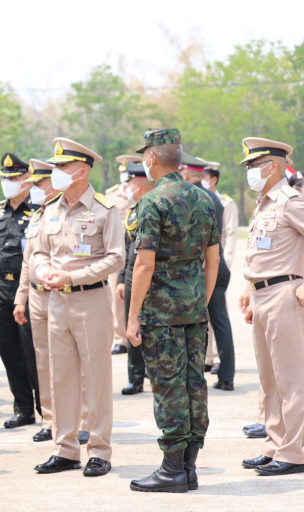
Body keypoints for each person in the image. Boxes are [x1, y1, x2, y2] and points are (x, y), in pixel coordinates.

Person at [126, 128, 220, 493]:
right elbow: (213, 260)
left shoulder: (152, 202)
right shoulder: (203, 199)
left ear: (151, 158)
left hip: (161, 315)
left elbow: (144, 265)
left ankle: (172, 470)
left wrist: (132, 316)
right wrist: (200, 301)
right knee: (194, 385)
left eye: (144, 156)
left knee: (168, 388)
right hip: (193, 310)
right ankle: (188, 466)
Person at [32, 138, 123, 477]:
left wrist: (73, 276)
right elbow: (39, 252)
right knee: (61, 377)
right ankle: (65, 449)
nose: (55, 172)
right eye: (54, 166)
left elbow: (116, 257)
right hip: (57, 300)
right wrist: (44, 272)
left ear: (81, 171)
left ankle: (99, 450)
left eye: (62, 166)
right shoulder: (51, 209)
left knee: (96, 377)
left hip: (91, 299)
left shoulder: (105, 209)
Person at [238, 137, 304, 476]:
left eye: (254, 165)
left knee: (292, 378)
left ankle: (296, 451)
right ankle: (275, 444)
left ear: (273, 167)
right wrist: (249, 289)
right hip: (262, 295)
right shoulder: (263, 204)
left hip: (284, 294)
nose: (250, 171)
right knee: (270, 380)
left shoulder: (290, 201)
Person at [0, 152, 41, 429]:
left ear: (27, 179)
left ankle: (46, 409)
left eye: (13, 178)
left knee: (33, 350)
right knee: (9, 350)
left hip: (27, 290)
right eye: (5, 178)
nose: (8, 183)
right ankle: (23, 408)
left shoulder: (38, 209)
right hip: (1, 289)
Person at [13, 158, 61, 443]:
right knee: (42, 361)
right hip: (36, 296)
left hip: (61, 295)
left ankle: (79, 421)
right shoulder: (36, 216)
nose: (34, 189)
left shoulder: (64, 213)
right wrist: (21, 298)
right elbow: (27, 261)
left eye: (38, 183)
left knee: (68, 362)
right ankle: (50, 419)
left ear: (53, 183)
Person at [180, 154, 235, 390]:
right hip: (217, 262)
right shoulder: (213, 197)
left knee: (195, 322)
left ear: (186, 173)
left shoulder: (192, 197)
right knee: (220, 321)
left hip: (202, 266)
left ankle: (194, 375)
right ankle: (227, 376)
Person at [115, 161, 153, 395]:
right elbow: (126, 248)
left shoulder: (155, 209)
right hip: (131, 276)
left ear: (138, 185)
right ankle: (136, 377)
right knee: (132, 325)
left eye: (130, 184)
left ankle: (154, 372)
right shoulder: (132, 213)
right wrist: (121, 279)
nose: (127, 188)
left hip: (153, 275)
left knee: (152, 327)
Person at [108, 155, 138, 355]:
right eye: (122, 172)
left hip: (137, 248)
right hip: (117, 250)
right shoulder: (112, 195)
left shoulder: (141, 191)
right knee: (116, 296)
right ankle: (120, 339)